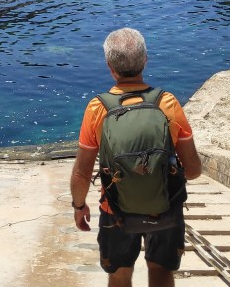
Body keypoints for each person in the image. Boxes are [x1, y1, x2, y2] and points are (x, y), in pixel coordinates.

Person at [70, 27, 202, 287]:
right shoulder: (168, 103)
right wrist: (158, 180)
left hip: (115, 208)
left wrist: (78, 206)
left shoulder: (98, 108)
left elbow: (82, 172)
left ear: (110, 66)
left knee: (119, 274)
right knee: (161, 271)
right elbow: (194, 169)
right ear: (145, 61)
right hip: (165, 207)